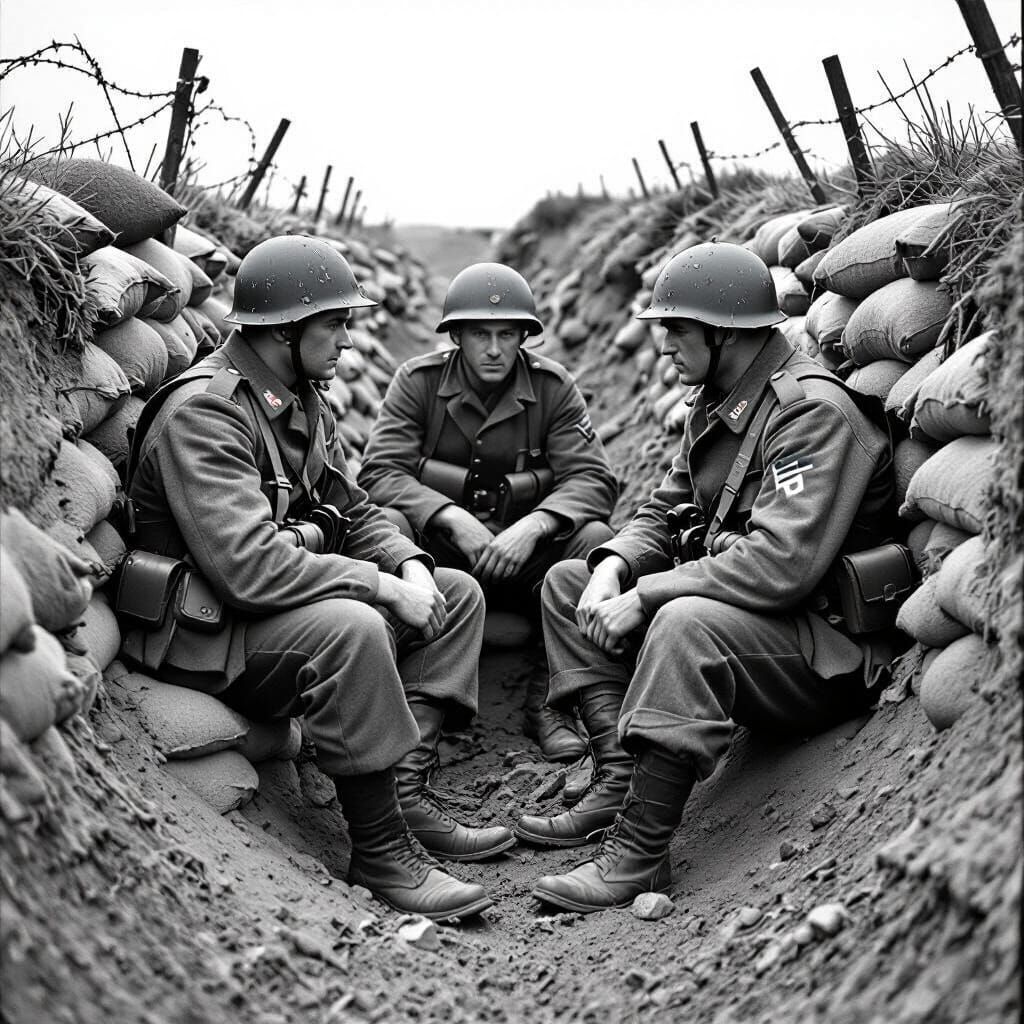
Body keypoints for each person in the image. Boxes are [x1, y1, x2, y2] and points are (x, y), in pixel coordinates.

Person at [117, 235, 515, 922]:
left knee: (457, 591)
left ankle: (406, 797)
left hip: (263, 616)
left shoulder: (298, 398)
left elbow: (351, 507)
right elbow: (248, 567)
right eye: (335, 325)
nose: (348, 343)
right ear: (285, 329)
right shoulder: (206, 413)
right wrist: (381, 587)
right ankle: (381, 851)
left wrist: (410, 563)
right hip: (209, 634)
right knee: (353, 627)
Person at [518, 241, 895, 912]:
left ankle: (638, 856)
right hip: (758, 628)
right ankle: (617, 778)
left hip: (821, 650)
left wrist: (650, 593)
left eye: (675, 327)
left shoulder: (809, 413)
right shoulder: (719, 401)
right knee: (569, 582)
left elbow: (781, 565)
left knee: (681, 622)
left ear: (725, 333)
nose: (661, 343)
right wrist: (614, 567)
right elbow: (664, 507)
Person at [358, 262, 620, 762]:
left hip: (528, 565)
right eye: (481, 334)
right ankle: (420, 705)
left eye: (507, 334)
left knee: (594, 539)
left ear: (525, 335)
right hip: (444, 561)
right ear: (456, 335)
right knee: (388, 528)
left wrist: (536, 524)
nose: (496, 349)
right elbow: (378, 474)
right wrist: (449, 517)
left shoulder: (552, 387)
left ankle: (553, 703)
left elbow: (593, 478)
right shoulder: (417, 382)